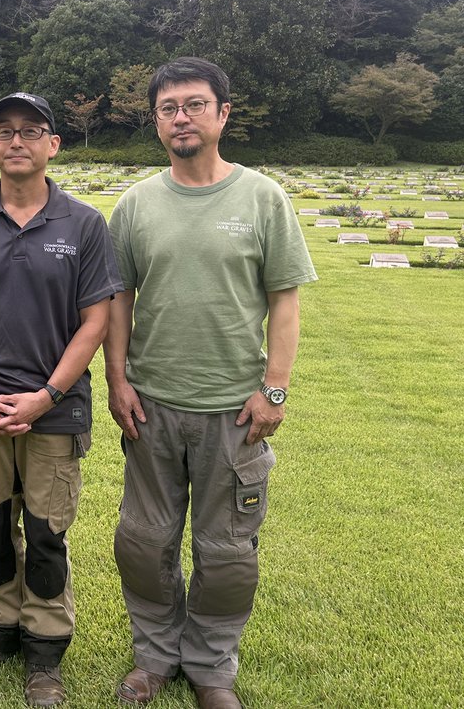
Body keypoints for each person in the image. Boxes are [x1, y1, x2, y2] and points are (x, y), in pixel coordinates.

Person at [105, 59, 317, 709]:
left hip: (235, 412)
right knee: (144, 541)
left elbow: (285, 299)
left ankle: (211, 667)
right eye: (169, 108)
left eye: (195, 105)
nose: (181, 118)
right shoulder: (136, 204)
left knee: (226, 551)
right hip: (152, 406)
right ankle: (155, 657)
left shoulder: (262, 198)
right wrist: (116, 379)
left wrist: (274, 388)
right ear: (155, 121)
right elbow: (118, 299)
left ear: (224, 114)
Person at [0, 92, 123, 707]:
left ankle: (45, 653)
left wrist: (45, 395)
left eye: (32, 131)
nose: (18, 141)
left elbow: (95, 321)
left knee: (44, 531)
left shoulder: (84, 224)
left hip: (55, 411)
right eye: (5, 131)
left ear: (52, 145)